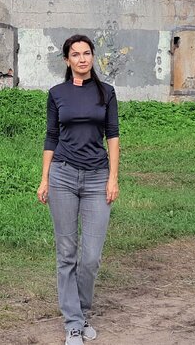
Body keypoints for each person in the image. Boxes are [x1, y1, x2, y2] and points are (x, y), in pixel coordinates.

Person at [38, 34, 120, 345]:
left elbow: (112, 136)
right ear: (67, 60)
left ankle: (82, 312)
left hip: (98, 177)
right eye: (76, 54)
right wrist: (45, 178)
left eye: (87, 53)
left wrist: (113, 178)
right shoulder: (56, 93)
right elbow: (50, 137)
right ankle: (73, 322)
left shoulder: (106, 93)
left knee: (91, 257)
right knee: (67, 252)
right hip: (62, 176)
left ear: (93, 58)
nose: (82, 59)